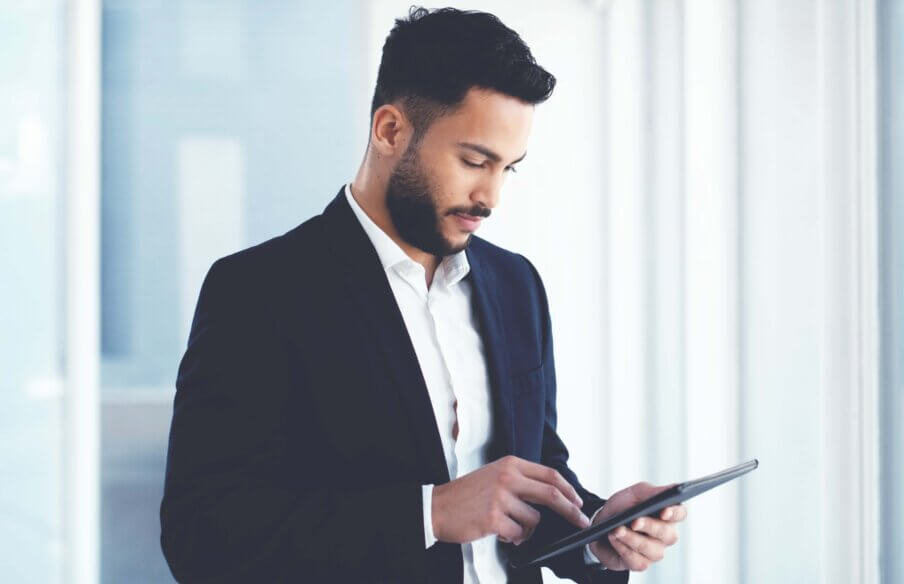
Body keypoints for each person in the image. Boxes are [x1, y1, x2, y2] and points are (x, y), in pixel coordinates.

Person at [159, 6, 685, 583]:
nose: (490, 197)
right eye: (473, 160)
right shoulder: (260, 292)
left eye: (508, 168)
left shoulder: (516, 287)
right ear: (390, 130)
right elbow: (202, 535)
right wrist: (430, 513)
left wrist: (596, 533)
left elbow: (533, 477)